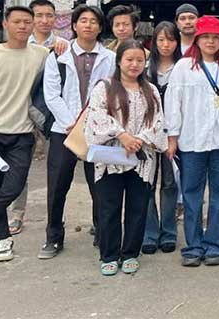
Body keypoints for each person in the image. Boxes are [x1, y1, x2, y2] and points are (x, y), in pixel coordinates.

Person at [165, 15, 219, 267]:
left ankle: (216, 246)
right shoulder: (183, 67)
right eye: (205, 37)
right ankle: (193, 246)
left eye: (215, 37)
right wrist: (172, 137)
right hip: (191, 141)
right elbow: (173, 104)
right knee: (191, 195)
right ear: (197, 40)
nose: (210, 41)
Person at [85, 39, 167, 275]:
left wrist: (138, 139)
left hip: (141, 158)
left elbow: (158, 121)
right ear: (119, 61)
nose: (134, 64)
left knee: (137, 207)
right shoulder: (105, 87)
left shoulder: (151, 90)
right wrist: (121, 135)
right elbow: (95, 117)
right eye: (129, 59)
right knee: (109, 208)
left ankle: (131, 252)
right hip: (110, 158)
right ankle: (109, 255)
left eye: (139, 60)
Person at [40, 4, 116, 259]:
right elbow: (52, 95)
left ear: (100, 27)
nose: (88, 25)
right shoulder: (57, 56)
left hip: (97, 131)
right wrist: (71, 123)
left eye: (93, 21)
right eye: (83, 20)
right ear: (74, 25)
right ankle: (53, 236)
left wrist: (92, 123)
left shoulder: (110, 58)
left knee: (100, 185)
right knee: (57, 185)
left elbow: (112, 93)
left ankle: (102, 232)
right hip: (64, 131)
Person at [0, 5, 47, 262]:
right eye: (17, 21)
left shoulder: (41, 54)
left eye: (27, 22)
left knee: (12, 188)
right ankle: (3, 241)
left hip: (22, 135)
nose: (22, 26)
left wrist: (62, 45)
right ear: (5, 25)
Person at [6, 0, 69, 236]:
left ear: (55, 18)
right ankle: (17, 213)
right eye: (39, 15)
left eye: (49, 15)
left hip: (50, 118)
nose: (44, 20)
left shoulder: (64, 46)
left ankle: (57, 215)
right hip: (20, 116)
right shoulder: (20, 44)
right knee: (18, 169)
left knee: (57, 171)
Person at [142, 21, 182, 255]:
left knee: (169, 184)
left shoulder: (184, 68)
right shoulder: (145, 67)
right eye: (161, 40)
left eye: (171, 39)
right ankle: (149, 233)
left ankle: (168, 232)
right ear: (154, 42)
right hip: (147, 134)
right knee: (146, 184)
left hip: (173, 134)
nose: (166, 45)